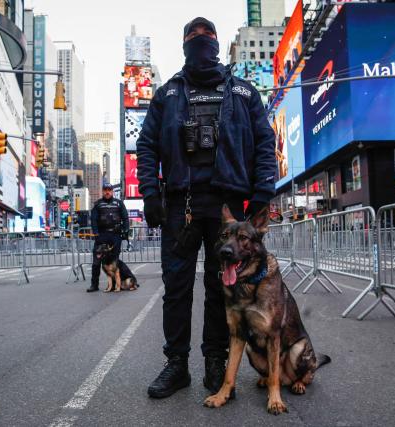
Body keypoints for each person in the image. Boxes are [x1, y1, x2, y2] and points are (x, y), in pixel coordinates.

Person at [137, 17, 276, 398]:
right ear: (184, 44)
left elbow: (266, 142)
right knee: (176, 289)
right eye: (193, 36)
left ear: (216, 43)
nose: (200, 41)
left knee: (223, 288)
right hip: (180, 205)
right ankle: (177, 365)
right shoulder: (166, 94)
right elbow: (146, 145)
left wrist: (264, 189)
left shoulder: (244, 92)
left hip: (228, 207)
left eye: (206, 36)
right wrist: (150, 192)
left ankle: (216, 361)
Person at [87, 182, 130, 293]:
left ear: (112, 191)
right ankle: (94, 284)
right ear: (102, 191)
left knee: (114, 262)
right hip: (102, 236)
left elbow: (125, 218)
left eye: (109, 190)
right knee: (96, 262)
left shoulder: (119, 203)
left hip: (115, 236)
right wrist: (96, 234)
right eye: (105, 190)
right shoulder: (98, 204)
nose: (107, 192)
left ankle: (114, 284)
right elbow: (93, 220)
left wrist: (125, 231)